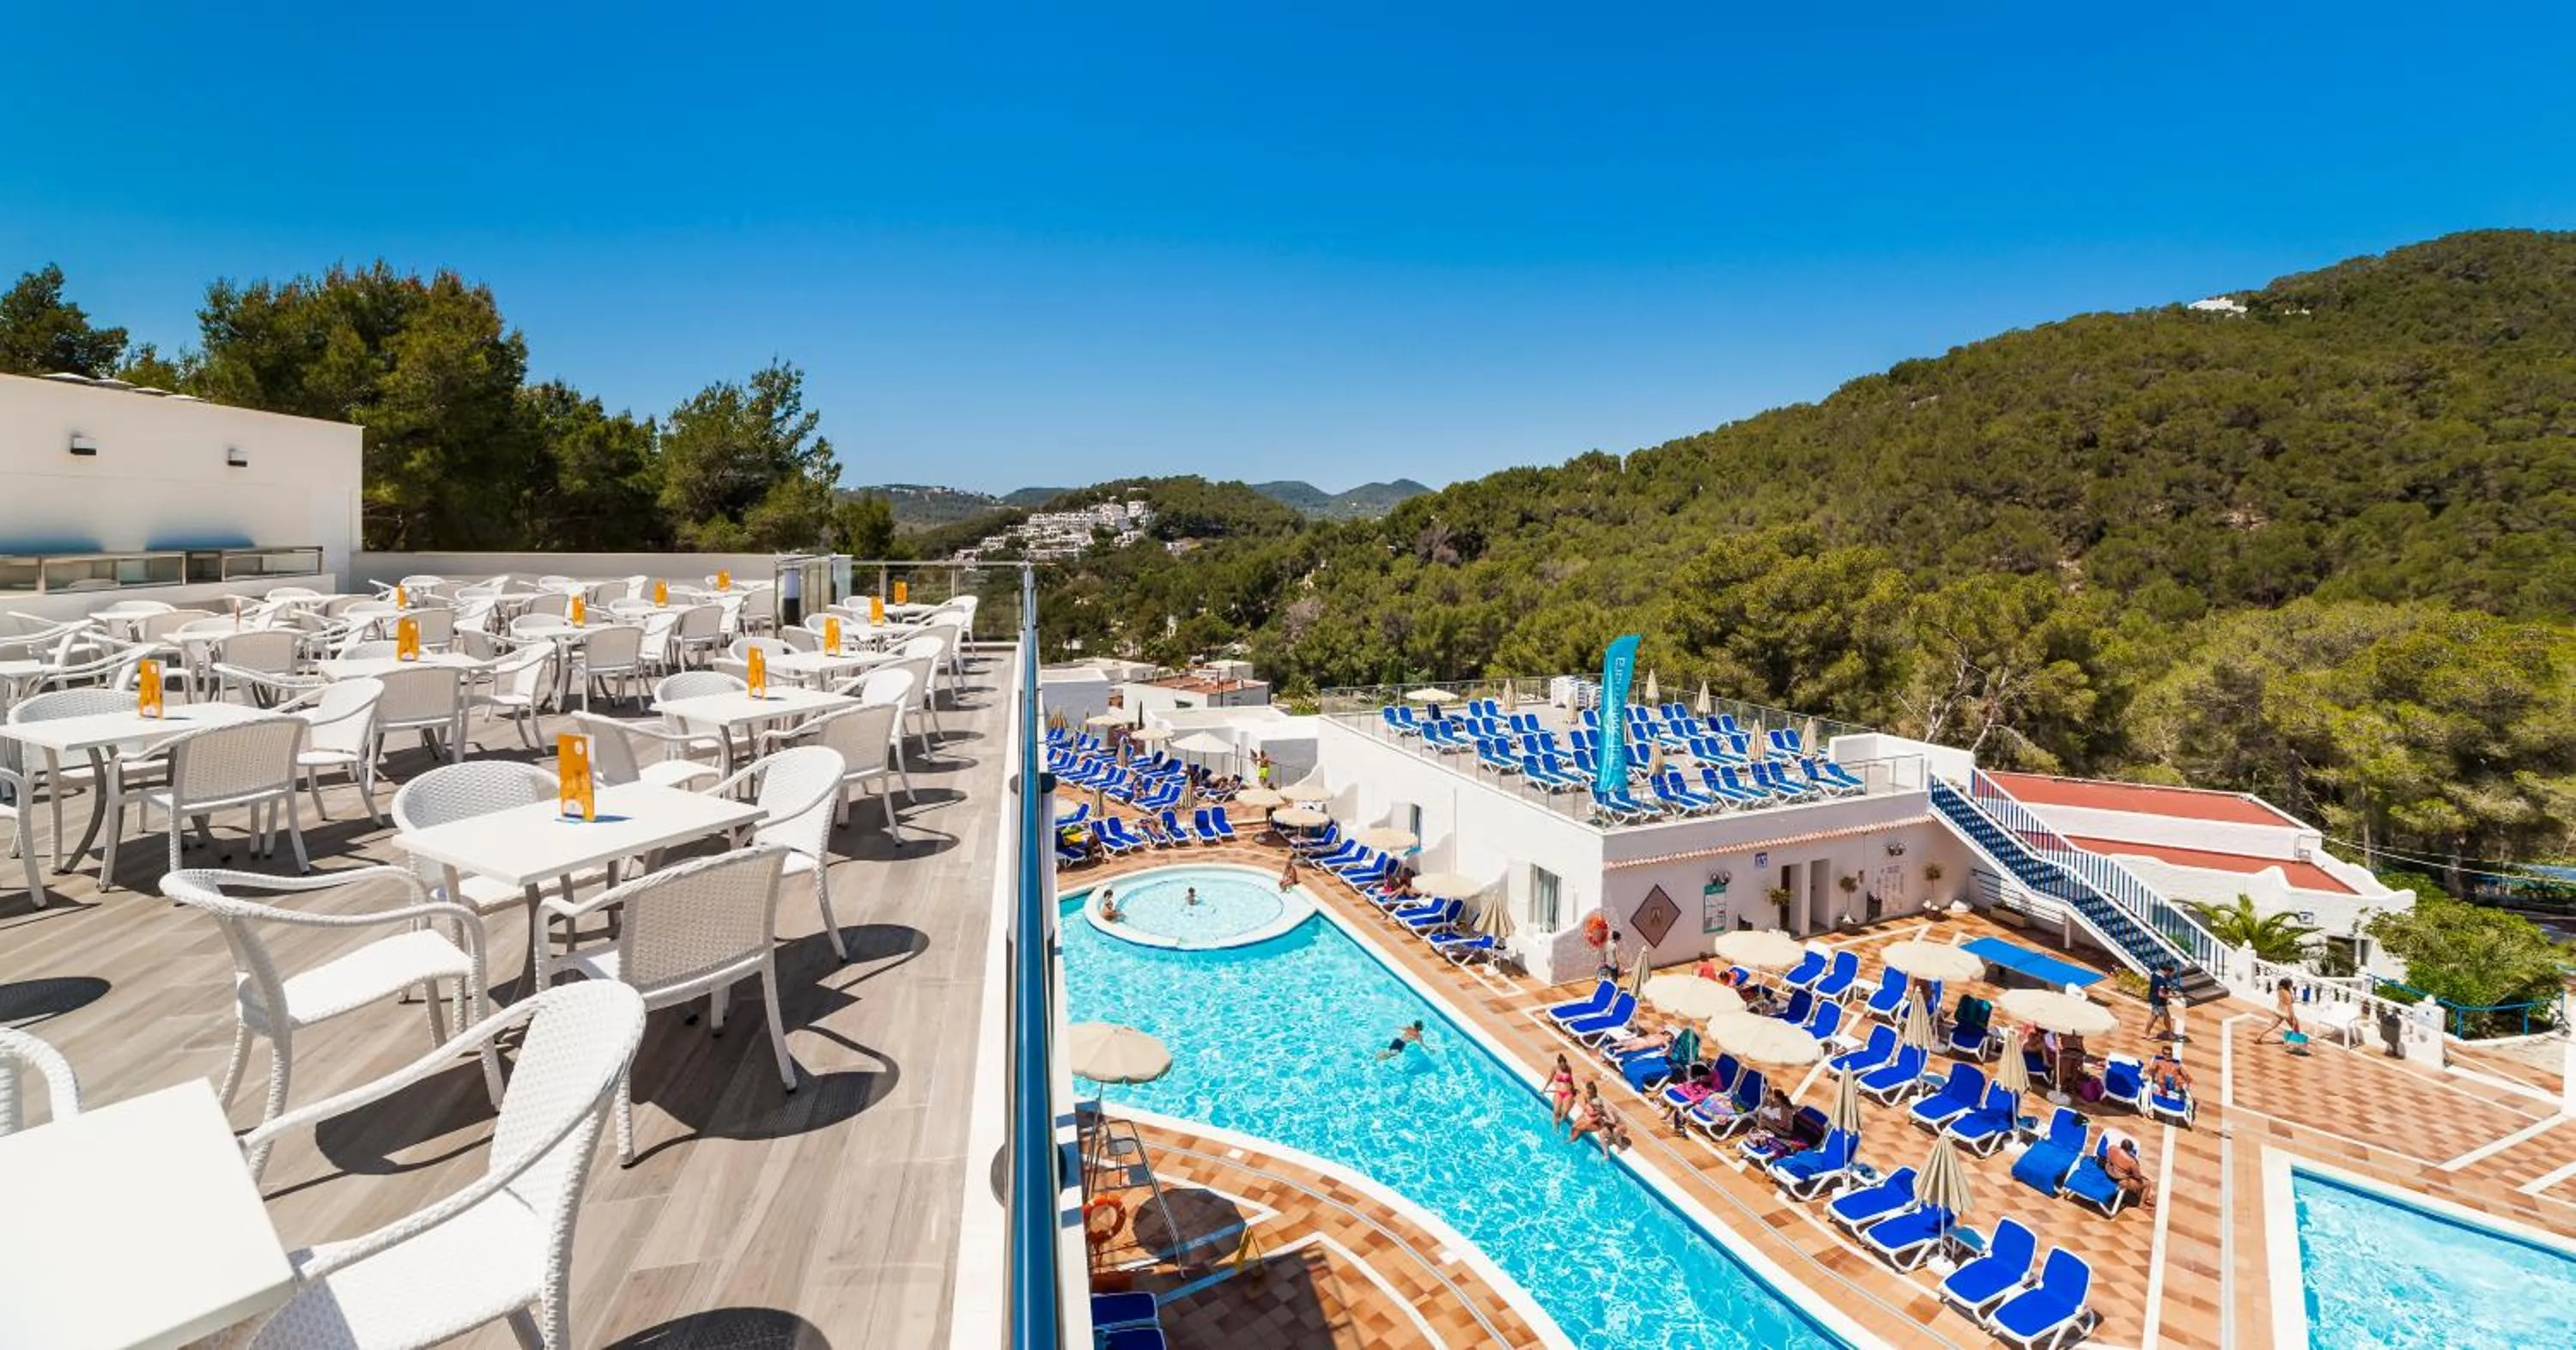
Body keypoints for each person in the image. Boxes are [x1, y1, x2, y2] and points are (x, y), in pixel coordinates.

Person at [2101, 1134, 2159, 1209]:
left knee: (2134, 1179)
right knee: (2147, 1183)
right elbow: (2137, 1176)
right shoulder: (2132, 1161)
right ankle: (2141, 1204)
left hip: (2108, 1173)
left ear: (2121, 1145)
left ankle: (2142, 1196)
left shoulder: (2112, 1148)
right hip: (2120, 1181)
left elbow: (2108, 1159)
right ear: (2130, 1150)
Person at [2260, 976, 2303, 1045]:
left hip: (2278, 1010)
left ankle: (2260, 1036)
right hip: (2286, 1013)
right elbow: (2290, 1007)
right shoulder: (2287, 994)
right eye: (2290, 985)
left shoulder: (2279, 990)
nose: (2291, 986)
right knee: (2296, 1026)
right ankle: (2295, 1042)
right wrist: (2293, 1017)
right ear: (2288, 985)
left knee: (2271, 1026)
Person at [2146, 961, 2179, 1043]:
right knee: (2157, 1017)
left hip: (2154, 999)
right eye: (2170, 972)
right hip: (2159, 1002)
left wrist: (2168, 989)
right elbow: (2161, 994)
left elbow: (2157, 987)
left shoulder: (2154, 974)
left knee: (2163, 1017)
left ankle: (2169, 1033)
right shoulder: (2161, 981)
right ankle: (2148, 1034)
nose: (2170, 974)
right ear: (2166, 970)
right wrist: (2174, 996)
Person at [1546, 1054, 1578, 1127]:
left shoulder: (1569, 1068)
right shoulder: (1555, 1069)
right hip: (1559, 1092)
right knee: (1556, 1111)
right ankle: (1555, 1127)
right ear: (1559, 1064)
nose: (1563, 1067)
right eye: (1562, 1066)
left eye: (1565, 1065)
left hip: (1568, 1092)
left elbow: (1571, 1080)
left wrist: (1573, 1089)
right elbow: (1550, 1079)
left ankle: (1560, 1122)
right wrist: (1545, 1088)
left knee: (1565, 1112)